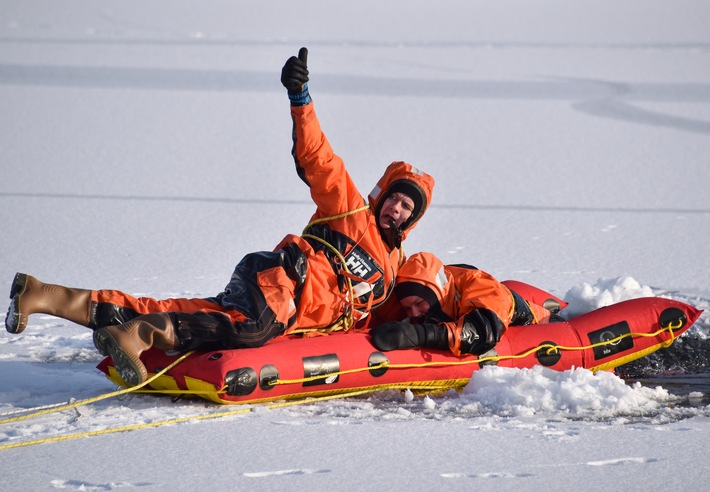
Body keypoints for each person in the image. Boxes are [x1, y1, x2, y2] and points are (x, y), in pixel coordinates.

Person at [6, 47, 435, 386]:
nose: (396, 209)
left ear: (411, 220)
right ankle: (138, 337)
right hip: (280, 281)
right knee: (250, 330)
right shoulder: (350, 207)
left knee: (181, 310)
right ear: (382, 196)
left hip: (284, 307)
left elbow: (387, 314)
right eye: (394, 199)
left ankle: (42, 295)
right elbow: (317, 157)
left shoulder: (391, 270)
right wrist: (300, 99)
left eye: (407, 208)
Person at [369, 252, 560, 356]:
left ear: (438, 290)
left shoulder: (480, 286)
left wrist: (420, 335)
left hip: (545, 329)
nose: (415, 313)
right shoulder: (442, 294)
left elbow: (484, 331)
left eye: (420, 303)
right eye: (408, 308)